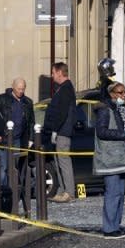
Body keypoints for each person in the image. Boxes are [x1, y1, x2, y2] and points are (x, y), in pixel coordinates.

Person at [93, 81, 125, 239]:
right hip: (109, 158)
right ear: (112, 94)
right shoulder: (104, 110)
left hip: (120, 157)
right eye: (120, 93)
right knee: (113, 193)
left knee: (120, 194)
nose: (124, 95)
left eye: (124, 92)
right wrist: (124, 134)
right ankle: (109, 229)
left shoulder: (120, 109)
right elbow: (101, 132)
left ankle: (115, 225)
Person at [44, 62, 76, 203]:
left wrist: (55, 130)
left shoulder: (66, 88)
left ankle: (69, 192)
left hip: (63, 131)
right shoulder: (62, 88)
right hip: (60, 130)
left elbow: (62, 112)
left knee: (63, 161)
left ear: (59, 72)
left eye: (53, 73)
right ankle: (63, 190)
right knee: (58, 161)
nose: (52, 76)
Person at [0, 77, 35, 186]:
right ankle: (2, 193)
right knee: (3, 168)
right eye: (19, 89)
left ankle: (12, 193)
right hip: (3, 139)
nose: (21, 91)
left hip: (17, 140)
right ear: (13, 87)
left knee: (14, 168)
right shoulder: (1, 99)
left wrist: (30, 139)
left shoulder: (28, 102)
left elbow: (31, 122)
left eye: (23, 89)